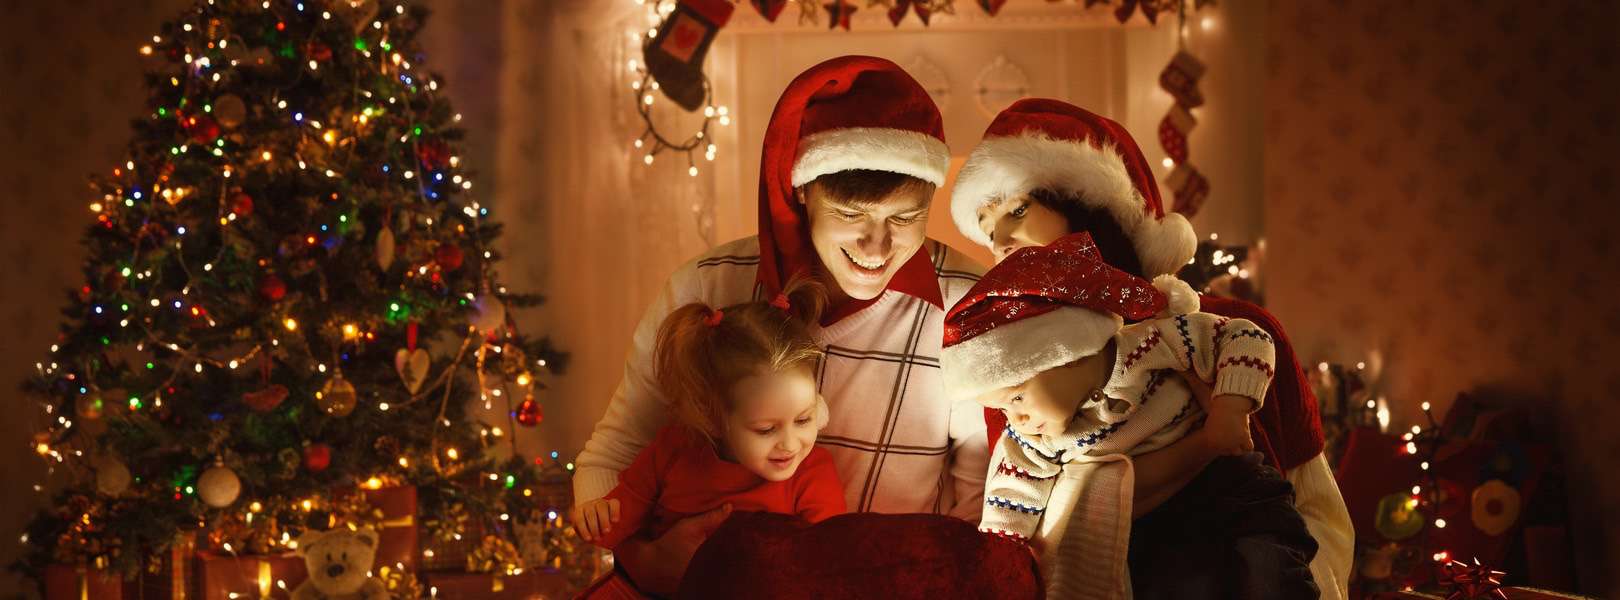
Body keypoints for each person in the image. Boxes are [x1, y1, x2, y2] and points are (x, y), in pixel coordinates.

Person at [572, 55, 988, 595]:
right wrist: (644, 565)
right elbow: (619, 451)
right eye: (850, 217)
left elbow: (982, 501)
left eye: (904, 219)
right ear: (800, 190)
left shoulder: (970, 302)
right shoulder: (708, 286)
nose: (877, 247)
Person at [950, 98, 1353, 599]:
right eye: (989, 230)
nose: (1003, 239)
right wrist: (1201, 448)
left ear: (1087, 206)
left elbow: (1317, 505)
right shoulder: (1014, 379)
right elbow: (1035, 522)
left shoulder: (1232, 325)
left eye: (1017, 209)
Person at [942, 232, 1318, 599]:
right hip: (1149, 527)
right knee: (1180, 583)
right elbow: (1010, 497)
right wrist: (1003, 553)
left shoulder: (1149, 344)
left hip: (1228, 485)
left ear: (1068, 355)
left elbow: (1246, 337)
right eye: (1004, 408)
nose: (1016, 418)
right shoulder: (1034, 438)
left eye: (1018, 397)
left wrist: (1230, 407)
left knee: (1275, 571)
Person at [571, 279, 845, 596]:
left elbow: (832, 561)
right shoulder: (673, 450)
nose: (790, 443)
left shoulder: (812, 473)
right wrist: (596, 517)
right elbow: (615, 526)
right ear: (714, 420)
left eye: (804, 419)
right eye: (766, 429)